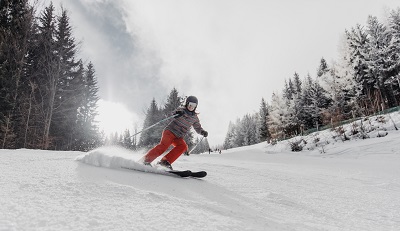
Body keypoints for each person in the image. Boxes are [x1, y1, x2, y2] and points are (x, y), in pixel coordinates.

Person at [141, 96, 208, 170]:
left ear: (196, 106)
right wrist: (176, 114)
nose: (191, 107)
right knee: (164, 146)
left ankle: (164, 162)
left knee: (183, 146)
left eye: (194, 105)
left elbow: (198, 128)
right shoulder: (181, 110)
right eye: (190, 104)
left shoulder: (195, 118)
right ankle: (145, 160)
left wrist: (202, 132)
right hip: (169, 132)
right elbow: (169, 116)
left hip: (178, 137)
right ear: (187, 103)